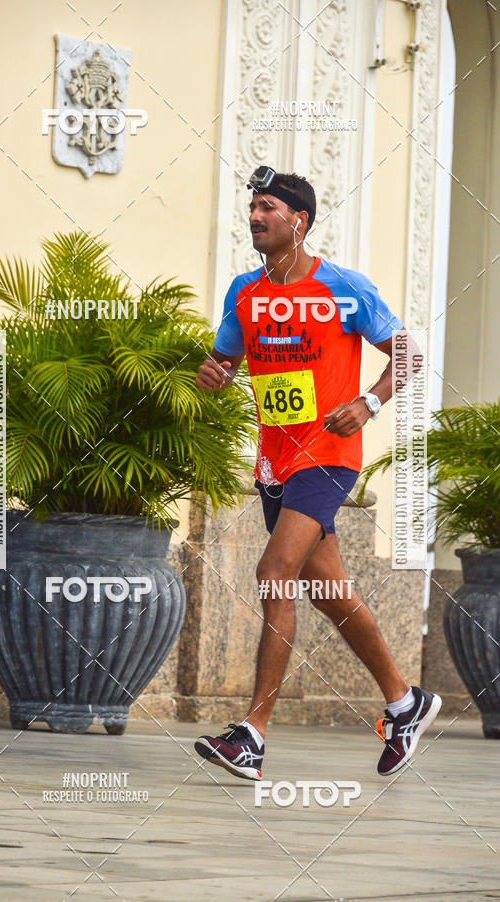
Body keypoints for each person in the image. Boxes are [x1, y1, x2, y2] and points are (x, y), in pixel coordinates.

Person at [193, 168, 441, 781]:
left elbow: (406, 351)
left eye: (267, 208)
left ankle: (251, 734)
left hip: (329, 456)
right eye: (252, 208)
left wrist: (370, 402)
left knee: (273, 571)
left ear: (297, 221)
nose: (254, 217)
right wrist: (215, 373)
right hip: (276, 463)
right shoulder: (244, 292)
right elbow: (224, 357)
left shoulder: (344, 287)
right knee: (328, 591)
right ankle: (405, 702)